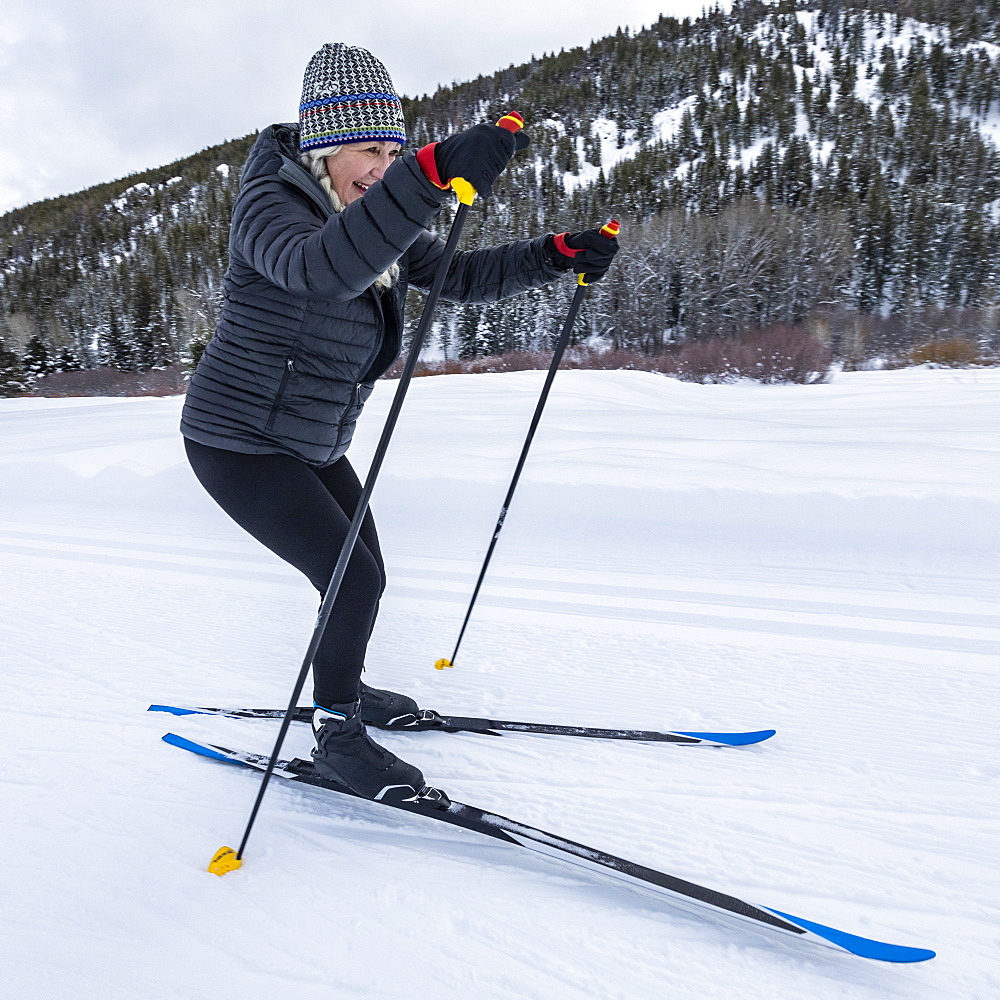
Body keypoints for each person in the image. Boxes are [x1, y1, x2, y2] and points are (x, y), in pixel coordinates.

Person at [180, 43, 619, 800]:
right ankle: (338, 733)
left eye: (393, 150)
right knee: (350, 579)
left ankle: (341, 688)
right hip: (238, 441)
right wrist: (423, 174)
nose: (380, 167)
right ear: (322, 145)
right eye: (367, 151)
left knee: (364, 578)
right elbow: (322, 268)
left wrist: (555, 254)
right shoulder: (271, 208)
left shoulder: (363, 213)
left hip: (312, 439)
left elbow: (458, 272)